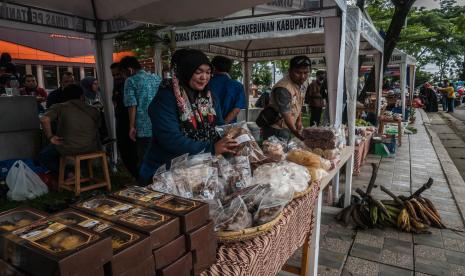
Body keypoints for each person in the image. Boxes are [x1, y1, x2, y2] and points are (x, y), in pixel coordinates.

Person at [138, 49, 237, 184]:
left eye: (208, 72)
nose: (204, 77)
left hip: (200, 170)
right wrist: (211, 149)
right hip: (166, 172)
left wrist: (233, 138)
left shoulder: (209, 96)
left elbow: (219, 126)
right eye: (198, 72)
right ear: (186, 71)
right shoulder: (166, 97)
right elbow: (171, 139)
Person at [38, 84, 100, 177]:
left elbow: (44, 119)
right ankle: (82, 172)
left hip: (69, 147)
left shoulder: (60, 107)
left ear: (64, 97)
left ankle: (69, 174)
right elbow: (99, 126)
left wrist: (50, 137)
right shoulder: (93, 109)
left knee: (43, 156)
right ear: (82, 96)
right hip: (90, 147)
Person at [120, 56, 161, 167]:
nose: (123, 76)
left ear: (129, 70)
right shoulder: (156, 78)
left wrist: (131, 126)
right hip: (159, 124)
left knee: (145, 158)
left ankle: (145, 182)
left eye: (123, 73)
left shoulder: (131, 80)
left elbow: (132, 105)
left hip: (143, 127)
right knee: (159, 157)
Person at [259, 55, 310, 141]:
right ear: (289, 71)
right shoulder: (283, 88)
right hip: (276, 128)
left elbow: (299, 102)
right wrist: (295, 132)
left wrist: (299, 120)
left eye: (306, 73)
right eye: (298, 72)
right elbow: (286, 114)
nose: (302, 76)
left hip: (288, 126)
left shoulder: (302, 83)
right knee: (275, 153)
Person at [111, 62, 138, 178]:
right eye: (113, 75)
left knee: (133, 152)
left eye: (118, 74)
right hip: (121, 122)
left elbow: (133, 105)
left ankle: (139, 178)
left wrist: (132, 124)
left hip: (131, 123)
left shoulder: (131, 84)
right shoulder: (117, 86)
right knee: (124, 151)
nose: (116, 77)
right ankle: (136, 177)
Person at [209, 56, 246, 123]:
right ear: (229, 68)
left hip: (208, 126)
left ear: (213, 67)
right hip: (229, 127)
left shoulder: (206, 84)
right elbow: (236, 109)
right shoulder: (238, 86)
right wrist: (224, 125)